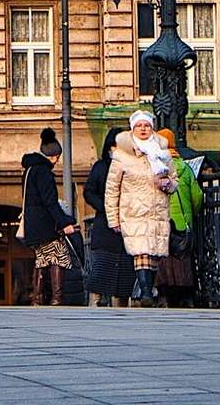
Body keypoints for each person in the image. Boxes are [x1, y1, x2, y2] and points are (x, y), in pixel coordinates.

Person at [105, 110, 175, 304]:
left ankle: (148, 289)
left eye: (146, 125)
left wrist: (168, 184)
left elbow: (174, 179)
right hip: (133, 211)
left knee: (154, 254)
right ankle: (145, 292)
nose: (143, 129)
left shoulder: (162, 153)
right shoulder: (122, 155)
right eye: (139, 126)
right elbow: (112, 189)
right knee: (141, 251)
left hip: (157, 210)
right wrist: (113, 218)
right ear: (132, 128)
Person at [20, 127, 78, 306]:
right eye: (57, 157)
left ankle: (37, 297)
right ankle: (56, 298)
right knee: (59, 255)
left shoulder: (29, 170)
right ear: (53, 155)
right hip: (46, 225)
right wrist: (64, 223)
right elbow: (50, 202)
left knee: (42, 258)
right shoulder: (44, 172)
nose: (58, 161)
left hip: (33, 225)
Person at [83, 127, 136, 307]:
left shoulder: (132, 165)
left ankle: (121, 302)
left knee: (125, 268)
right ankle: (96, 300)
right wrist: (106, 207)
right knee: (102, 265)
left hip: (126, 224)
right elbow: (89, 192)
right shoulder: (101, 166)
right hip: (105, 225)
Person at [154, 128, 205, 306]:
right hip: (183, 223)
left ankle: (164, 296)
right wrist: (191, 214)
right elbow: (197, 196)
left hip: (161, 222)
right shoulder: (186, 169)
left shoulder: (155, 169)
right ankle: (186, 296)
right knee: (183, 259)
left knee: (163, 259)